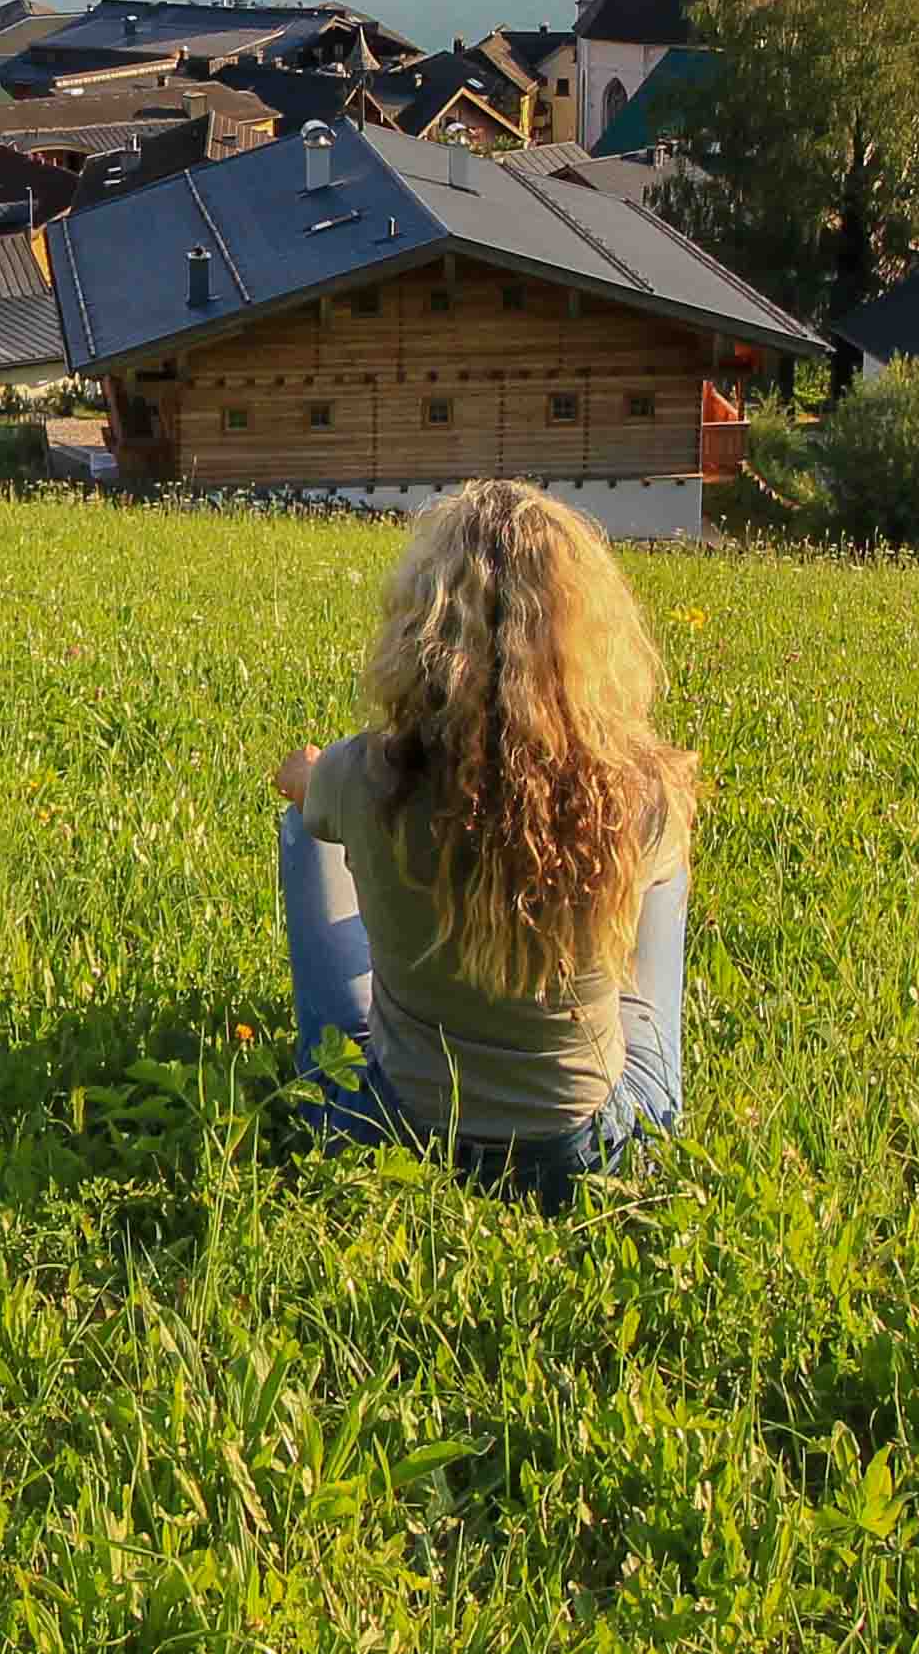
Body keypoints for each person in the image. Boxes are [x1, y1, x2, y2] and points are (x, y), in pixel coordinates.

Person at [272, 479, 698, 1200]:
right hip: (587, 1157)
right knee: (663, 865)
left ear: (424, 631)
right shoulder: (642, 790)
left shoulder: (367, 772)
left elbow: (304, 786)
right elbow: (654, 812)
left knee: (305, 821)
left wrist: (311, 776)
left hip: (391, 1129)